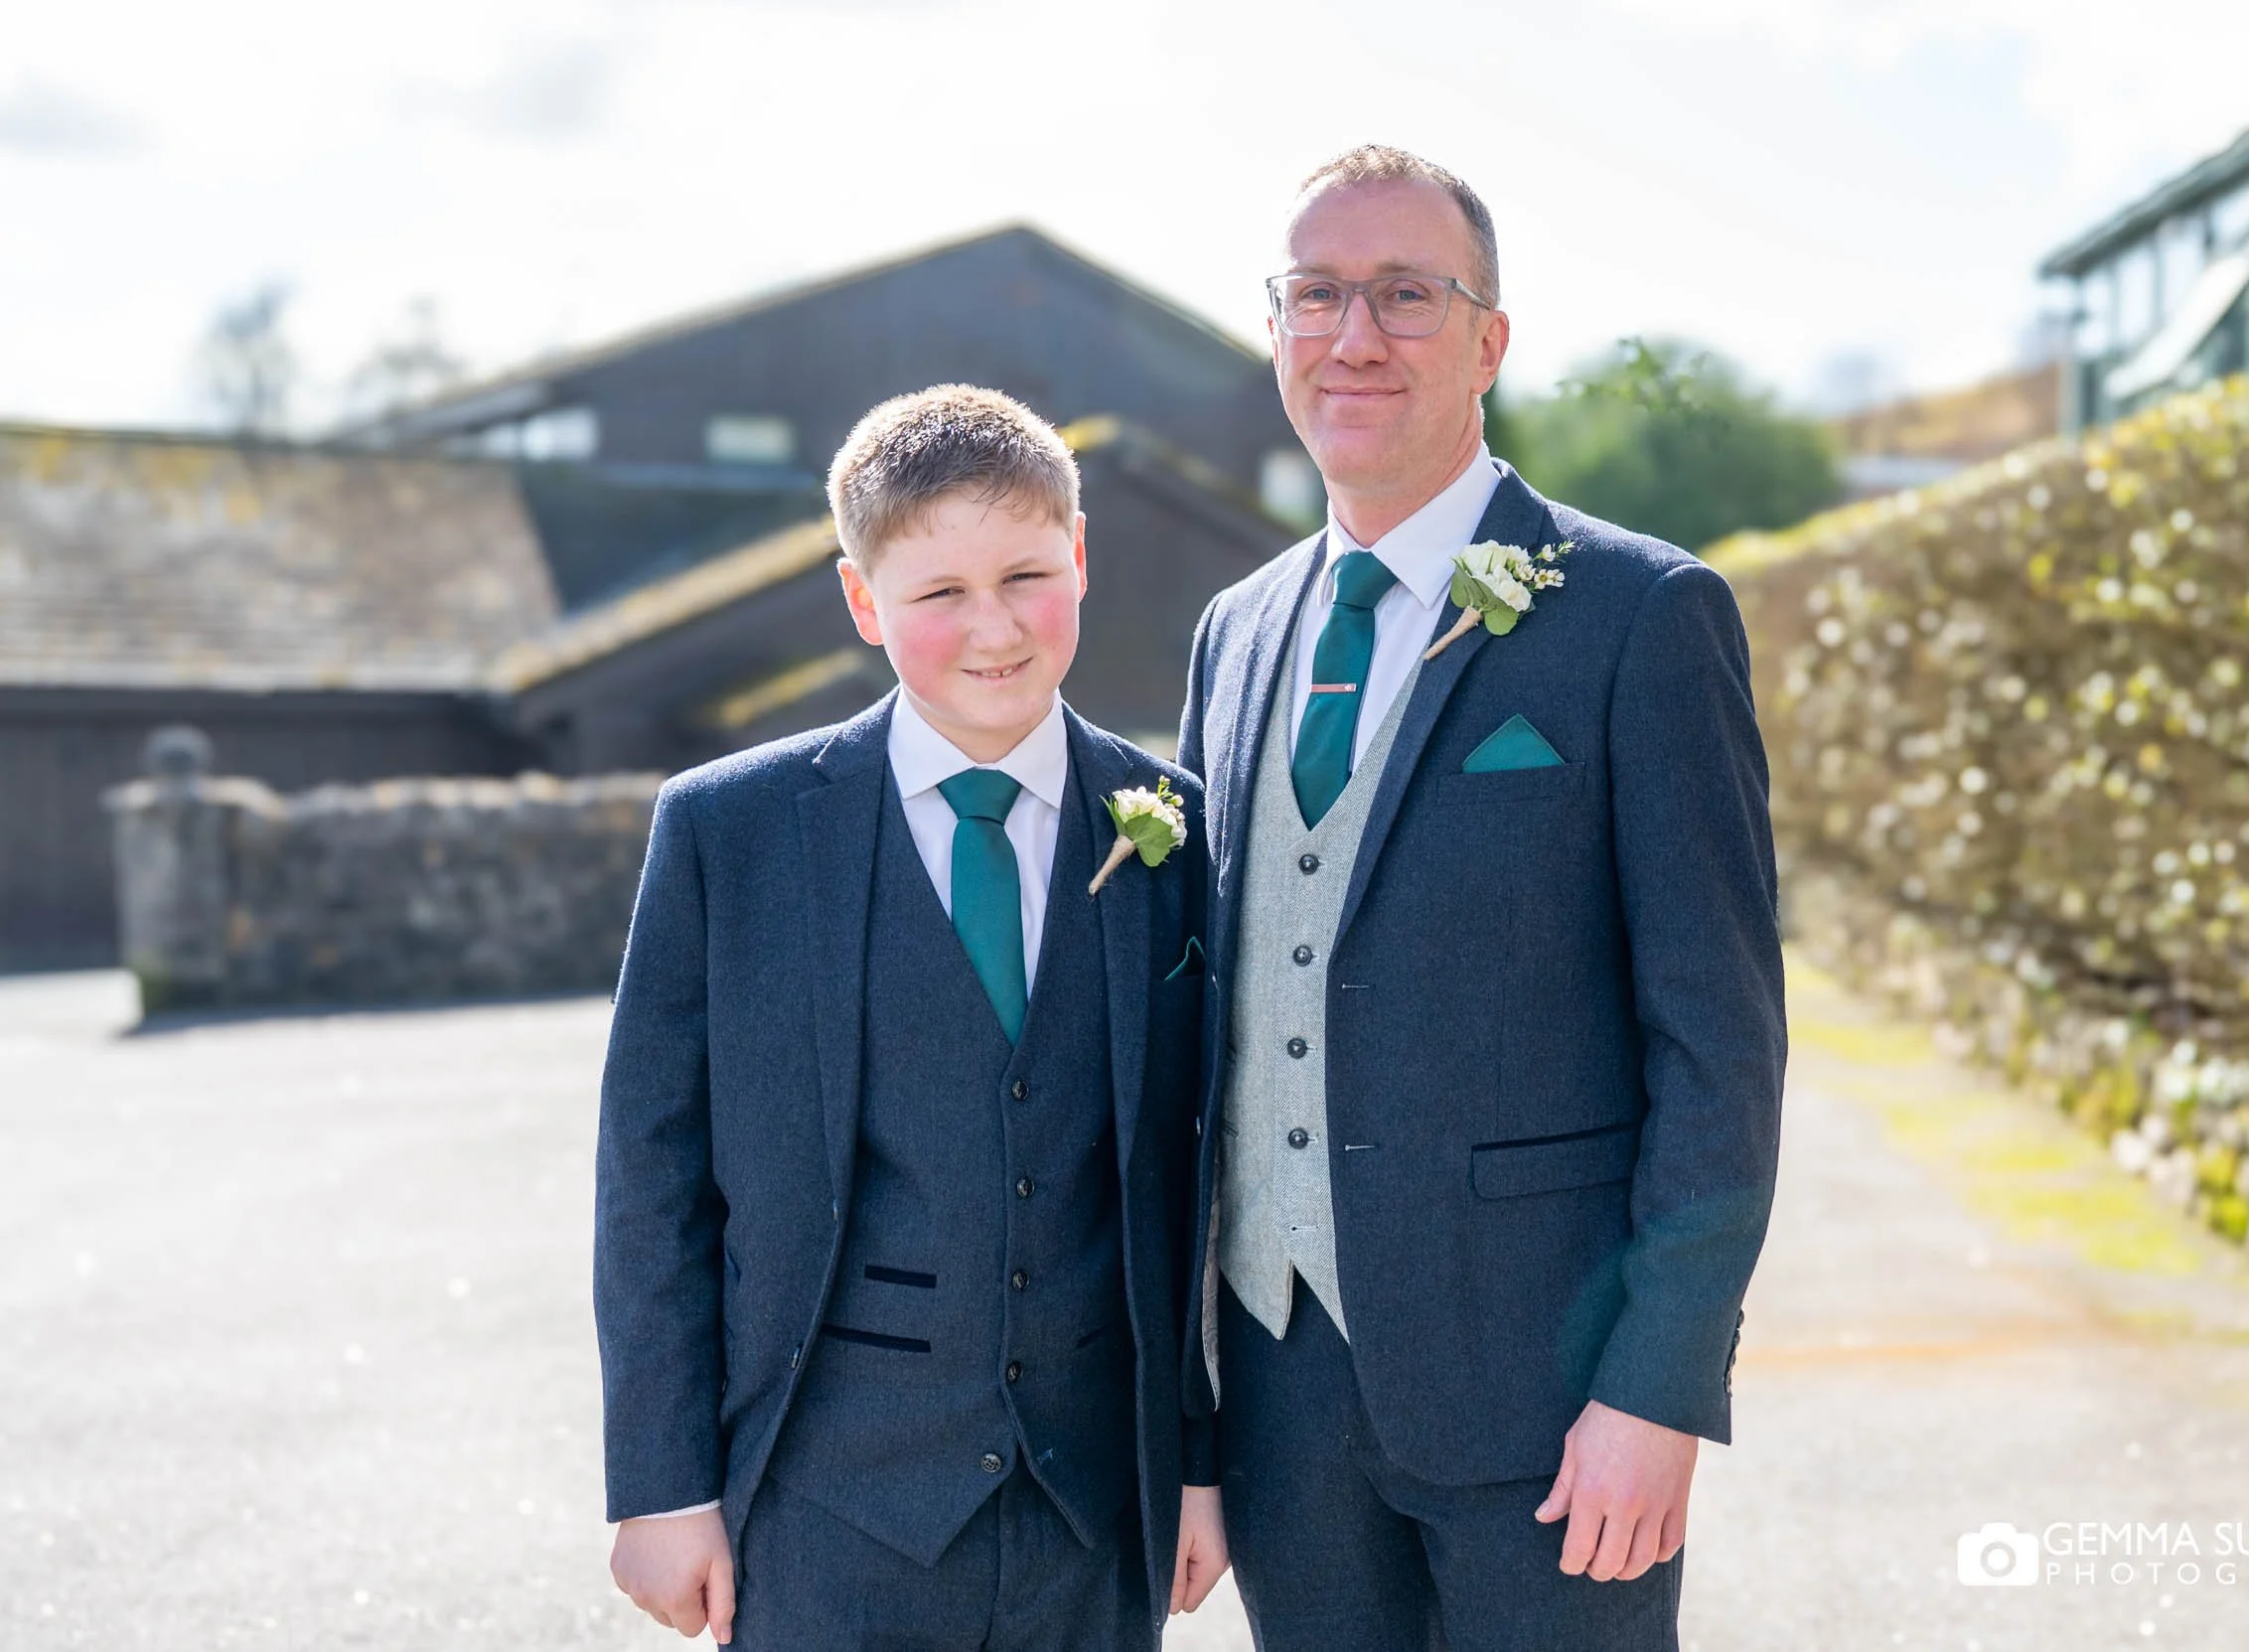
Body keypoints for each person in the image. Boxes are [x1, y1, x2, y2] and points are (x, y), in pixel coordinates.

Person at [1177, 146, 1787, 1650]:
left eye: (1406, 294)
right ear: (1275, 328)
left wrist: (1659, 1385)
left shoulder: (1642, 614)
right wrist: (1183, 1404)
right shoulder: (1234, 631)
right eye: (1315, 295)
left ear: (1489, 340)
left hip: (1552, 1398)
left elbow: (1719, 1044)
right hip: (1277, 1401)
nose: (1353, 336)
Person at [595, 383, 1228, 1649]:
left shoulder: (1176, 827)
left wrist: (1196, 1460)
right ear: (861, 599)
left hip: (1095, 1510)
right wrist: (661, 1487)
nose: (993, 627)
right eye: (939, 592)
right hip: (823, 1507)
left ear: (1080, 556)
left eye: (1025, 575)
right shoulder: (729, 831)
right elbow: (652, 1174)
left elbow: (1197, 1177)